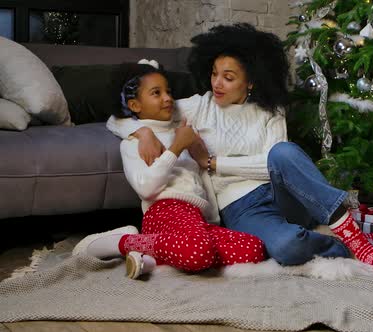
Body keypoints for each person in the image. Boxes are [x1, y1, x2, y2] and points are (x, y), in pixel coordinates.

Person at [107, 23, 373, 280]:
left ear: (250, 81)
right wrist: (142, 132)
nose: (217, 83)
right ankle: (340, 246)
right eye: (214, 74)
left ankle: (364, 248)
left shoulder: (271, 110)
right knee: (288, 248)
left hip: (286, 192)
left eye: (228, 77)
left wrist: (213, 163)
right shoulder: (199, 107)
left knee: (282, 152)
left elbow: (273, 165)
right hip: (242, 207)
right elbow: (122, 116)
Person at [74, 64, 266, 279]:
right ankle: (121, 242)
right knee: (199, 252)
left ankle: (150, 259)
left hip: (195, 217)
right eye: (156, 93)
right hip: (164, 211)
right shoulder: (134, 142)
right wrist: (175, 148)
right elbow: (146, 189)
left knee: (253, 247)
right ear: (135, 104)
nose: (167, 98)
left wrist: (211, 219)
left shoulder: (181, 128)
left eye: (168, 92)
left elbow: (199, 179)